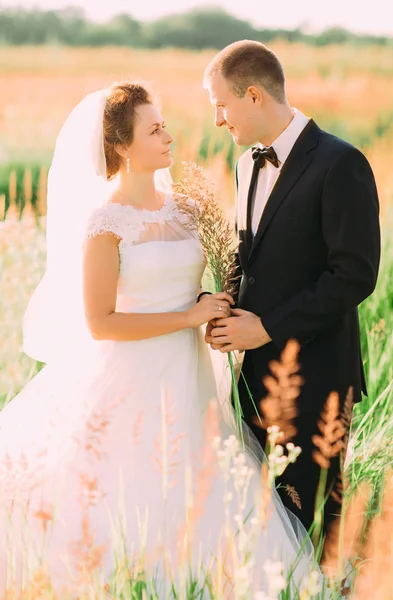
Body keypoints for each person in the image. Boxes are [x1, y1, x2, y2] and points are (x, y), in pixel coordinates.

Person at [0, 82, 319, 597]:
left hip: (190, 373)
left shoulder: (186, 209)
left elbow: (200, 285)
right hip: (131, 377)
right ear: (123, 146)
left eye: (164, 124)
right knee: (133, 483)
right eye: (155, 129)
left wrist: (215, 311)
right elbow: (101, 322)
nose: (169, 135)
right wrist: (188, 316)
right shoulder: (104, 224)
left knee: (205, 479)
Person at [203, 40, 380, 534]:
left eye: (221, 104)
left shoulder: (340, 163)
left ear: (254, 95)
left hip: (317, 382)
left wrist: (267, 329)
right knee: (267, 527)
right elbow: (249, 260)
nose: (218, 119)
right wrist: (218, 308)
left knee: (318, 527)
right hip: (254, 382)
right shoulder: (245, 167)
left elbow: (355, 275)